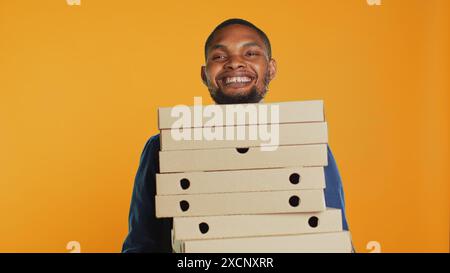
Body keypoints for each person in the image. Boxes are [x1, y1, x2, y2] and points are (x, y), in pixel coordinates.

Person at [122, 18, 350, 253]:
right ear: (204, 74)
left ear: (271, 68)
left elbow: (337, 239)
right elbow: (141, 245)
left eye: (250, 53)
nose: (234, 63)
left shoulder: (307, 142)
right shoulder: (163, 147)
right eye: (220, 57)